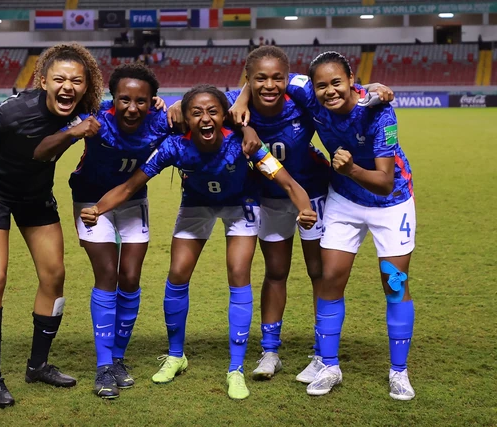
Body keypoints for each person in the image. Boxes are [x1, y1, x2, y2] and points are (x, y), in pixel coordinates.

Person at [80, 84, 317, 400]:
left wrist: (305, 208)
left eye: (213, 112)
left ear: (224, 116)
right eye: (196, 113)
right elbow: (128, 187)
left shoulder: (244, 145)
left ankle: (235, 369)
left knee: (238, 272)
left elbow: (285, 180)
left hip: (240, 204)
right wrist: (98, 208)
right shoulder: (174, 147)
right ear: (185, 118)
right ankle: (176, 356)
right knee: (178, 273)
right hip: (196, 202)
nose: (205, 119)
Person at [0, 43, 103, 408]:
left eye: (76, 80)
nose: (67, 86)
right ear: (43, 81)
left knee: (54, 275)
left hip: (35, 193)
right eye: (59, 79)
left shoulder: (85, 110)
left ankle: (37, 365)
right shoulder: (15, 112)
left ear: (86, 87)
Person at [34, 63, 171, 399]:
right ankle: (104, 365)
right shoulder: (94, 118)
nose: (132, 107)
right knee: (107, 273)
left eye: (141, 100)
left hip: (133, 200)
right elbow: (41, 150)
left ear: (152, 100)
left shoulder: (160, 121)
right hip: (90, 202)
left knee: (131, 277)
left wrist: (174, 106)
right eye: (124, 99)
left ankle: (119, 357)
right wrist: (73, 131)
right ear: (113, 97)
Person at [286, 51, 416, 400]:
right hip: (344, 200)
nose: (329, 91)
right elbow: (269, 75)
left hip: (390, 203)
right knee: (330, 278)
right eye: (321, 85)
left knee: (394, 285)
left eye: (337, 83)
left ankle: (399, 372)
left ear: (352, 80)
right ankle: (329, 365)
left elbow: (385, 181)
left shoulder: (378, 110)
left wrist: (350, 170)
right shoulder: (306, 93)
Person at [223, 46, 331, 381]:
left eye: (277, 78)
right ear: (247, 80)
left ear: (287, 77)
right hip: (268, 197)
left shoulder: (302, 96)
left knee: (319, 271)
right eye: (260, 79)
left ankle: (322, 351)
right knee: (276, 271)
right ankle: (270, 351)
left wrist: (371, 90)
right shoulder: (231, 102)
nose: (270, 85)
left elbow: (340, 91)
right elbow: (193, 105)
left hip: (312, 192)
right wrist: (240, 113)